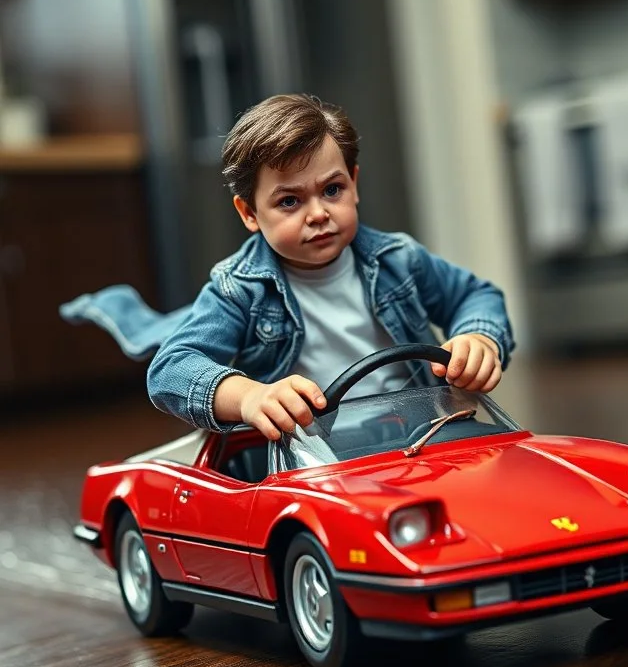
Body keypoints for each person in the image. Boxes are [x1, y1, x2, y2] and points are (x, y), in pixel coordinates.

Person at [64, 94, 515, 439]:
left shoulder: (398, 259)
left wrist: (479, 336)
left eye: (332, 190)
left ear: (354, 184)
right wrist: (252, 396)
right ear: (249, 214)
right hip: (312, 449)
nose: (317, 213)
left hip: (411, 432)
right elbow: (170, 371)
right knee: (162, 337)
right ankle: (126, 312)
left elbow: (476, 295)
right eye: (289, 201)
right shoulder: (239, 290)